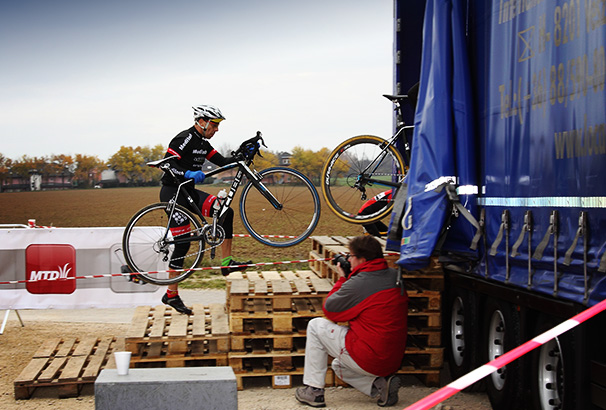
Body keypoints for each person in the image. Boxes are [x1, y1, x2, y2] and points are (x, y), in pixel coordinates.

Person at [159, 104, 251, 315]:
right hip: (173, 193)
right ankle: (171, 295)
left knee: (226, 212)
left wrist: (242, 154)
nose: (217, 129)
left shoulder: (203, 143)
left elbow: (222, 162)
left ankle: (226, 263)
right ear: (202, 122)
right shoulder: (184, 139)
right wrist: (188, 173)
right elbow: (167, 165)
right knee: (182, 244)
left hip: (189, 192)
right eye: (215, 125)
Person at [296, 235, 408, 408]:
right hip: (392, 358)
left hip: (369, 355)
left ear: (362, 259)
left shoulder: (358, 283)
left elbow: (331, 310)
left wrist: (342, 280)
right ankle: (380, 385)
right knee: (338, 366)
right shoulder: (394, 276)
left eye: (351, 256)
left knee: (315, 326)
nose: (349, 259)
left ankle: (314, 391)